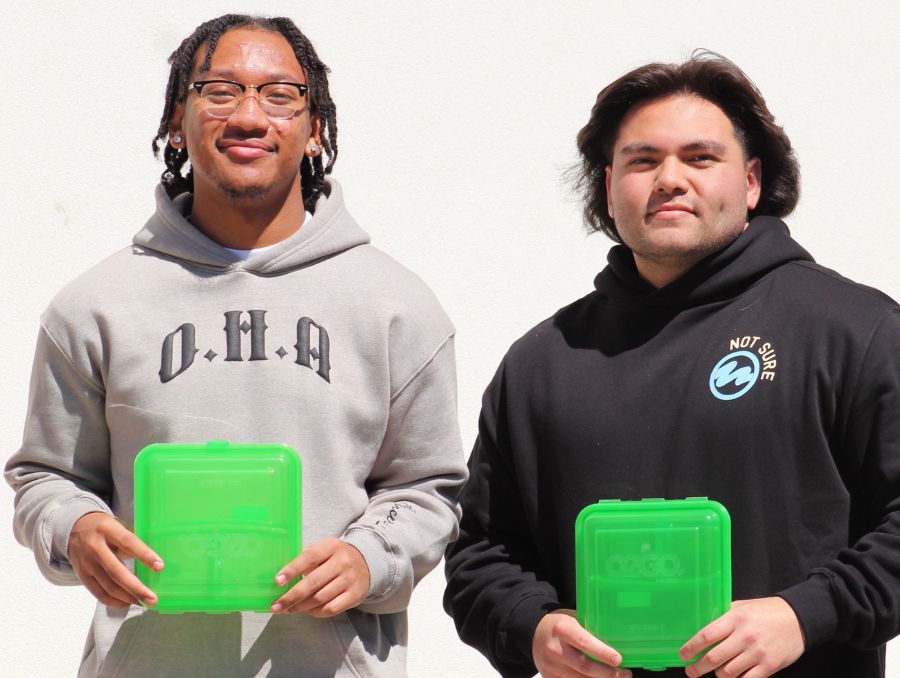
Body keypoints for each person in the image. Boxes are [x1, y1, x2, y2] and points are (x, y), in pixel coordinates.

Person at [6, 13, 465, 677]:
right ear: (176, 121)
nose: (250, 116)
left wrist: (371, 556)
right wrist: (73, 527)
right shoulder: (94, 306)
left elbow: (428, 488)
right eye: (219, 90)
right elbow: (47, 477)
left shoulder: (396, 305)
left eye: (280, 95)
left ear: (316, 131)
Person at [443, 52, 900, 678]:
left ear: (752, 180)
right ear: (608, 185)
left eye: (700, 157)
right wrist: (535, 628)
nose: (669, 178)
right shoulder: (542, 362)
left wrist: (805, 614)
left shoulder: (855, 330)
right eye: (642, 160)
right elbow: (481, 556)